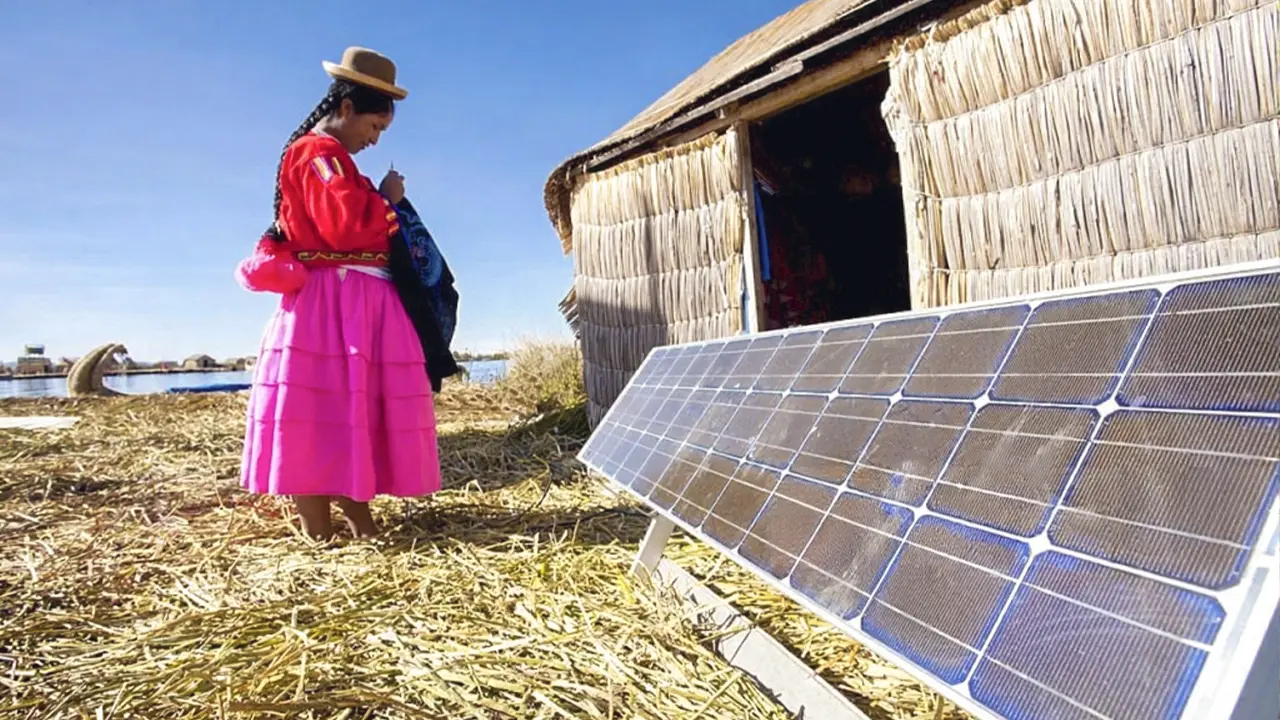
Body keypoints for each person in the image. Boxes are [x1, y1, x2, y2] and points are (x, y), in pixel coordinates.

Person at [234, 47, 441, 540]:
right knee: (322, 412)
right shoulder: (318, 153)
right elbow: (345, 225)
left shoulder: (330, 158)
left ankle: (356, 520)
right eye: (374, 127)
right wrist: (386, 200)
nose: (373, 139)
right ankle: (319, 530)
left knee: (349, 410)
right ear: (347, 108)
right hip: (335, 301)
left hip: (352, 298)